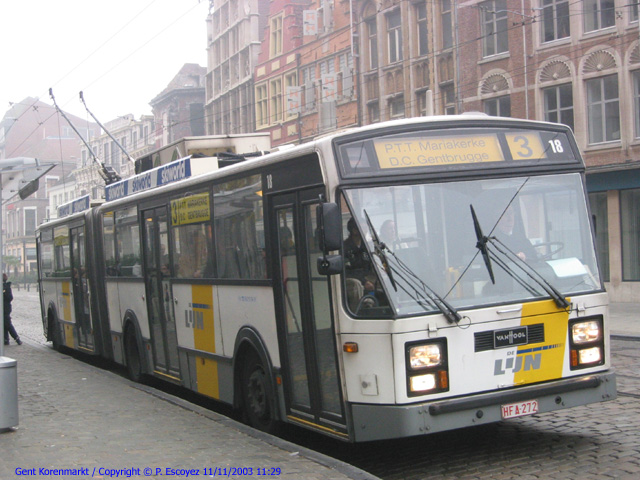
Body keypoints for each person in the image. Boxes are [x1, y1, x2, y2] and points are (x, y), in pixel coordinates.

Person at [3, 273, 21, 346]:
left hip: (5, 308)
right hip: (5, 308)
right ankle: (6, 339)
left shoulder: (6, 287)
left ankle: (17, 338)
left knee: (7, 324)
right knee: (4, 324)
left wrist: (4, 293)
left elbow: (10, 298)